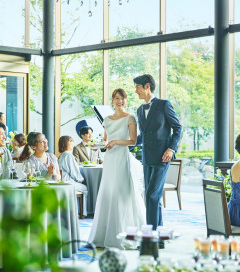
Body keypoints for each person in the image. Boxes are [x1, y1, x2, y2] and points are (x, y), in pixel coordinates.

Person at [87, 88, 146, 249]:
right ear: (112, 100)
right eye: (117, 98)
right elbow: (106, 140)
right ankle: (105, 234)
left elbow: (133, 141)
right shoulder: (106, 119)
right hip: (110, 160)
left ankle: (125, 234)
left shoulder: (130, 118)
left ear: (126, 101)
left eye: (123, 98)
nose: (120, 101)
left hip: (122, 159)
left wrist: (116, 142)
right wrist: (97, 146)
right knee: (108, 192)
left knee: (122, 194)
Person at [134, 74, 182, 248]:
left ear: (147, 86)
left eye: (137, 87)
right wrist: (122, 143)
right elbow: (142, 136)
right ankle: (159, 238)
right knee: (152, 198)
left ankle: (150, 239)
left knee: (152, 196)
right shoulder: (140, 110)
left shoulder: (164, 105)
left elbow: (177, 127)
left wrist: (171, 148)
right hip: (147, 158)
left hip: (163, 157)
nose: (135, 91)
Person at [58, 135, 88, 216]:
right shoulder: (69, 156)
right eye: (70, 141)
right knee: (85, 187)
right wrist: (81, 180)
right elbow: (74, 173)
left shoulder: (61, 155)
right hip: (68, 182)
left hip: (62, 181)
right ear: (65, 143)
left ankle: (77, 210)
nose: (73, 143)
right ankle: (82, 212)